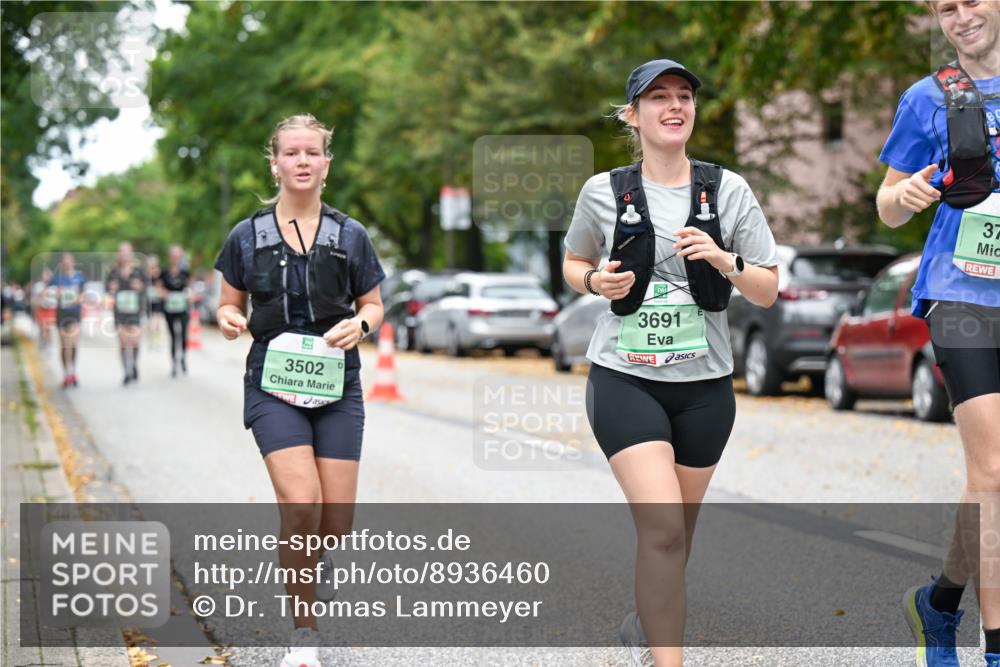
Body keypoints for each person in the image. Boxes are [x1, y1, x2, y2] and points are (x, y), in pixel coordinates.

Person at [563, 59, 778, 667]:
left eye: (683, 95)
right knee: (660, 530)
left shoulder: (727, 189)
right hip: (625, 379)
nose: (673, 105)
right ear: (634, 115)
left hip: (706, 388)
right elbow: (574, 261)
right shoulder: (604, 191)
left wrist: (723, 259)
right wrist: (592, 281)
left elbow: (766, 289)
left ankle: (645, 625)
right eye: (658, 97)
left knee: (677, 539)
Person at [214, 113, 385, 667]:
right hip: (273, 383)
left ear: (326, 164)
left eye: (312, 152)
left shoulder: (350, 235)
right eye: (292, 153)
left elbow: (374, 306)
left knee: (334, 522)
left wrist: (360, 326)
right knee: (301, 503)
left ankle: (309, 559)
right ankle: (304, 631)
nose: (302, 161)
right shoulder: (248, 235)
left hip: (338, 382)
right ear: (276, 163)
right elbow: (227, 301)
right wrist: (228, 318)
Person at [876, 2, 1000, 666]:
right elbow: (887, 203)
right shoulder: (929, 98)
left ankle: (941, 601)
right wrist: (909, 195)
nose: (960, 15)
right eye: (944, 6)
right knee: (996, 469)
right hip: (960, 293)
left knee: (990, 480)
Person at [106, 242, 147, 385]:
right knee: (123, 343)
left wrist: (140, 287)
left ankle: (134, 364)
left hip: (134, 310)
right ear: (118, 254)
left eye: (126, 252)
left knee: (135, 341)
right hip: (119, 311)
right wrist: (111, 289)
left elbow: (146, 287)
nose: (124, 254)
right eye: (121, 252)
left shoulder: (138, 270)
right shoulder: (113, 271)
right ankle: (126, 372)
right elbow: (108, 290)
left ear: (131, 253)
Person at [49, 252, 86, 387]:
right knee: (65, 345)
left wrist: (78, 299)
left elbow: (83, 294)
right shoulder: (56, 278)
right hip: (62, 314)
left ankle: (73, 371)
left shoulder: (79, 277)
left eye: (69, 261)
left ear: (73, 262)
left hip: (74, 314)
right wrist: (55, 293)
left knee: (74, 344)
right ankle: (66, 373)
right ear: (61, 264)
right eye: (64, 261)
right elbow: (47, 293)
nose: (67, 263)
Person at [158, 245, 192, 377]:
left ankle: (183, 357)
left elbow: (190, 287)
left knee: (183, 335)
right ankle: (173, 364)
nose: (175, 258)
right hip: (169, 308)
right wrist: (163, 293)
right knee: (173, 336)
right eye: (173, 255)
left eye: (178, 255)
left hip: (183, 308)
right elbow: (159, 289)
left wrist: (190, 295)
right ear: (170, 257)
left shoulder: (185, 272)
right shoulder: (164, 272)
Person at [32, 268, 56, 349]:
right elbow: (35, 298)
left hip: (51, 310)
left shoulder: (54, 286)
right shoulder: (38, 286)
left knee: (49, 329)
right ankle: (42, 342)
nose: (46, 277)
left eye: (48, 275)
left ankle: (49, 345)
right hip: (41, 309)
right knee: (42, 328)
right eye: (45, 275)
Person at [145, 254, 165, 350]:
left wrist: (159, 290)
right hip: (149, 304)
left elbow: (163, 289)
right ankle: (151, 341)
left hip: (158, 303)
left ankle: (158, 342)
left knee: (158, 324)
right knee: (151, 324)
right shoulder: (146, 276)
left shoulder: (160, 275)